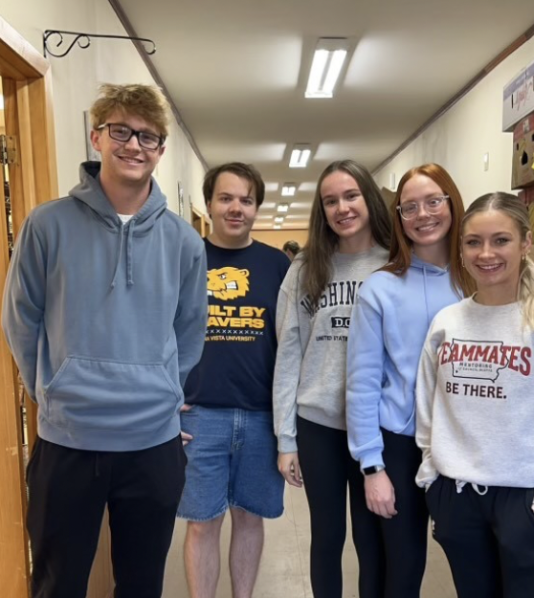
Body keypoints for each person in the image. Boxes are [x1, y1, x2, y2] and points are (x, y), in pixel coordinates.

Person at [1, 83, 207, 598]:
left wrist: (163, 388)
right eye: (121, 131)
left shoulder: (183, 240)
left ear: (160, 150)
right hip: (67, 439)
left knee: (141, 584)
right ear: (96, 137)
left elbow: (189, 328)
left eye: (148, 136)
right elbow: (21, 318)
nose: (134, 145)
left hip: (152, 443)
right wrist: (50, 388)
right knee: (57, 583)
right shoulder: (47, 224)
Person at [416, 192, 534, 598]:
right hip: (459, 500)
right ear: (459, 247)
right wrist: (434, 479)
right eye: (473, 242)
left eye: (500, 240)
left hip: (531, 502)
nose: (486, 254)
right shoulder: (448, 321)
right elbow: (429, 407)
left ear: (526, 243)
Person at [346, 163, 475, 597]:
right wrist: (372, 466)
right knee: (401, 571)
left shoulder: (479, 282)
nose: (423, 214)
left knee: (474, 566)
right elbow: (362, 382)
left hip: (467, 445)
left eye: (434, 201)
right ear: (398, 218)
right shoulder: (380, 288)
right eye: (410, 207)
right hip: (399, 445)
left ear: (453, 204)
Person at [273, 159, 392, 598]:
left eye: (350, 196)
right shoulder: (306, 267)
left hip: (376, 428)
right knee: (326, 538)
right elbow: (288, 355)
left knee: (371, 539)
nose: (341, 208)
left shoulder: (394, 263)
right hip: (318, 424)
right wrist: (286, 439)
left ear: (368, 198)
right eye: (330, 201)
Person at [179, 162, 290, 598]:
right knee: (202, 522)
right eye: (226, 198)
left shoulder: (276, 265)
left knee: (250, 517)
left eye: (246, 199)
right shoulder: (187, 259)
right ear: (208, 204)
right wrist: (168, 398)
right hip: (199, 416)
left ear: (257, 207)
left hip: (262, 416)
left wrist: (288, 425)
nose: (236, 208)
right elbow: (161, 332)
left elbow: (290, 343)